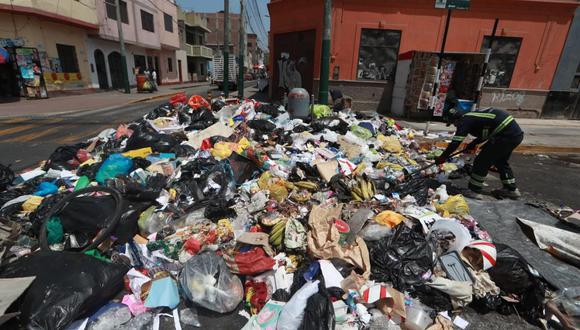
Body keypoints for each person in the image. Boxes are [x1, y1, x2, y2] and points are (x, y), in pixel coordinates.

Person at [436, 106, 524, 199]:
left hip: (505, 136)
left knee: (481, 162)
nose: (455, 125)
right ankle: (511, 189)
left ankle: (474, 190)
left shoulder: (464, 121)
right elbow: (485, 133)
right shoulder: (473, 117)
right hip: (514, 135)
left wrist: (443, 157)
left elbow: (455, 142)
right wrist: (473, 144)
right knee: (500, 161)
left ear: (456, 119)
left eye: (453, 123)